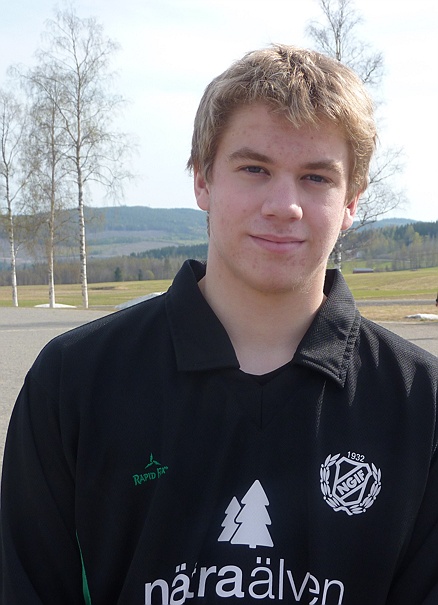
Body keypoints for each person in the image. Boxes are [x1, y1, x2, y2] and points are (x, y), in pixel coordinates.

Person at [1, 44, 437, 605]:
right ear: (202, 180)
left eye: (316, 177)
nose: (284, 205)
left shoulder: (420, 401)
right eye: (255, 169)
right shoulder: (74, 380)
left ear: (352, 201)